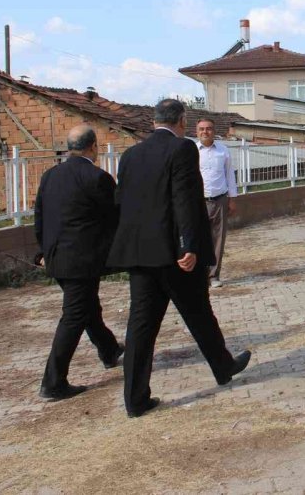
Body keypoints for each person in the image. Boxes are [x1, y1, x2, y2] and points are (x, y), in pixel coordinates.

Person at [107, 99, 251, 418]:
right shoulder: (182, 149)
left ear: (153, 121)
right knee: (199, 312)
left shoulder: (130, 155)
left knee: (140, 327)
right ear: (182, 121)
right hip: (175, 254)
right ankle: (223, 366)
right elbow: (185, 200)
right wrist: (189, 246)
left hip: (141, 255)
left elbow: (121, 203)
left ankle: (135, 398)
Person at [34, 125, 123, 400]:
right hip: (82, 260)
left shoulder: (50, 176)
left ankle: (109, 350)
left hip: (56, 257)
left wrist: (42, 251)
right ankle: (53, 382)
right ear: (93, 147)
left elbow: (40, 217)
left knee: (86, 307)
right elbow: (115, 218)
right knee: (74, 315)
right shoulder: (97, 178)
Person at [196, 118, 238, 289]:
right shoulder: (191, 150)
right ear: (196, 131)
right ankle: (199, 276)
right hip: (198, 201)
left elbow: (229, 175)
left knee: (218, 239)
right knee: (198, 238)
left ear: (214, 131)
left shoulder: (223, 150)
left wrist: (232, 198)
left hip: (220, 199)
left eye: (209, 129)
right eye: (202, 129)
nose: (205, 132)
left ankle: (214, 275)